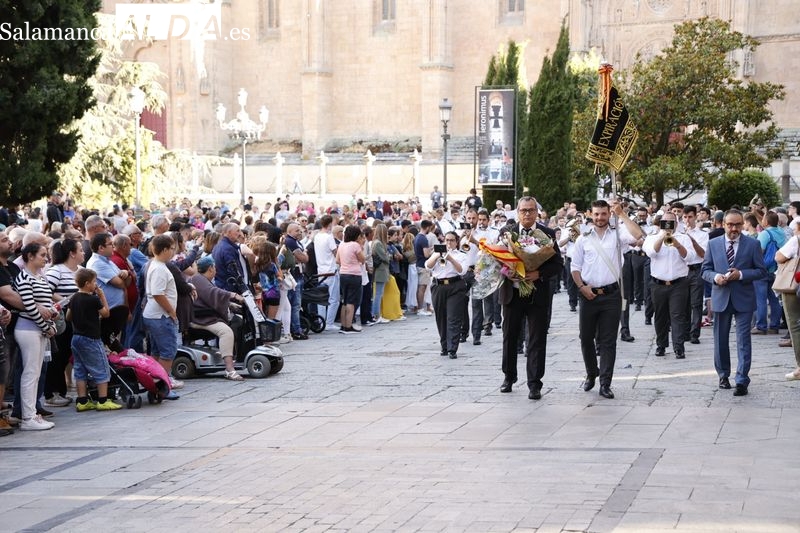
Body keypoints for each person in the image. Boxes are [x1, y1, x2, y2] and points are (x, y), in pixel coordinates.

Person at [570, 200, 642, 400]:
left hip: (611, 295)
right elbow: (575, 267)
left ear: (609, 214)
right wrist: (582, 288)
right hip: (588, 294)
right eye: (596, 214)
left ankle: (605, 383)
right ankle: (592, 373)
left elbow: (639, 236)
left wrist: (622, 214)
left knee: (608, 341)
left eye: (604, 214)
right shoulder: (582, 239)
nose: (600, 218)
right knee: (586, 338)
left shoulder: (618, 234)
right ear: (590, 215)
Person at [498, 197, 563, 400]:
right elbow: (495, 259)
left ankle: (534, 383)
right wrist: (507, 270)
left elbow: (557, 264)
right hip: (512, 293)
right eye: (523, 210)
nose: (527, 214)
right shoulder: (507, 232)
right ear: (517, 212)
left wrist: (539, 274)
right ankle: (508, 377)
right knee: (509, 336)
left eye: (531, 210)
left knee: (536, 339)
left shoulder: (547, 233)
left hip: (537, 293)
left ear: (537, 212)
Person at [701, 209, 767, 396]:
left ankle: (741, 380)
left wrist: (742, 274)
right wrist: (715, 278)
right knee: (720, 339)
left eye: (738, 224)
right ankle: (723, 375)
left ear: (743, 224)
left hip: (744, 298)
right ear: (723, 225)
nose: (734, 228)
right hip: (721, 297)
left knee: (743, 341)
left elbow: (761, 271)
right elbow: (705, 269)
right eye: (730, 224)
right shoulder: (713, 244)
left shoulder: (752, 244)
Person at [14, 243, 57, 430]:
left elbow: (46, 303)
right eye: (42, 255)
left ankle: (32, 414)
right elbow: (29, 306)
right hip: (28, 329)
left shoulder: (40, 276)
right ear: (30, 256)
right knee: (30, 373)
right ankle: (28, 417)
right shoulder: (24, 277)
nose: (45, 258)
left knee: (35, 373)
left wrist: (51, 322)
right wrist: (46, 326)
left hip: (39, 329)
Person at [643, 212, 696, 359]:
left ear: (676, 223)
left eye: (671, 222)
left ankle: (679, 347)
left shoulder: (683, 238)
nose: (668, 225)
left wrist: (678, 245)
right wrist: (662, 237)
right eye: (666, 222)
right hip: (658, 283)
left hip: (678, 283)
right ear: (661, 223)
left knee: (677, 315)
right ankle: (661, 345)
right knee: (660, 316)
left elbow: (690, 257)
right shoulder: (652, 237)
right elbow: (651, 253)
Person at [68, 269, 122, 411]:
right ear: (87, 284)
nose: (96, 284)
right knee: (101, 368)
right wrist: (102, 295)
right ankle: (103, 400)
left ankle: (82, 401)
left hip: (76, 337)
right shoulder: (93, 299)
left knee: (80, 369)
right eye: (94, 282)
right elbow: (106, 313)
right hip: (91, 338)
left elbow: (68, 316)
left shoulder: (73, 298)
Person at [189, 256, 246, 380]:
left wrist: (230, 304)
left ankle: (233, 356)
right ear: (210, 268)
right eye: (214, 267)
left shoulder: (201, 279)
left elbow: (209, 296)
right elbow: (214, 293)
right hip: (200, 318)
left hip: (205, 314)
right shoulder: (198, 279)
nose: (216, 270)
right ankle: (229, 369)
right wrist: (234, 295)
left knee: (239, 321)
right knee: (226, 332)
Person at [142, 234, 181, 400]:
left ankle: (155, 385)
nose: (173, 252)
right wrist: (171, 312)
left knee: (158, 352)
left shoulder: (156, 265)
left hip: (155, 315)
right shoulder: (158, 268)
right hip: (160, 316)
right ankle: (163, 386)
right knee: (168, 352)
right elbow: (158, 293)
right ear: (164, 249)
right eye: (171, 249)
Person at [425, 231, 467, 358]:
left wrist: (451, 258)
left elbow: (462, 270)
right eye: (447, 240)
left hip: (455, 286)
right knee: (441, 317)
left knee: (453, 318)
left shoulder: (461, 255)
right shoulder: (437, 252)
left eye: (452, 240)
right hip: (439, 286)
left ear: (456, 241)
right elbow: (428, 266)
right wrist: (437, 255)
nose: (449, 243)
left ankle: (452, 348)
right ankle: (444, 346)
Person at [753, 211, 786, 335]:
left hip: (763, 270)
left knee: (760, 299)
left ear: (766, 221)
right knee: (774, 299)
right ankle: (774, 325)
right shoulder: (781, 232)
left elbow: (759, 251)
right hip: (777, 270)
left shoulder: (764, 234)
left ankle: (761, 326)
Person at [335, 225, 365, 334]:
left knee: (345, 300)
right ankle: (348, 326)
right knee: (352, 301)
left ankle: (343, 325)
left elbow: (337, 260)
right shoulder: (355, 245)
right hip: (354, 274)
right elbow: (363, 259)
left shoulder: (341, 244)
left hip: (343, 274)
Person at [371, 223, 391, 324]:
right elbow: (385, 258)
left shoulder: (375, 242)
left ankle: (376, 314)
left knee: (378, 294)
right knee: (378, 294)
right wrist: (388, 255)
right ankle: (376, 315)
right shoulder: (378, 243)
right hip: (380, 271)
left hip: (380, 271)